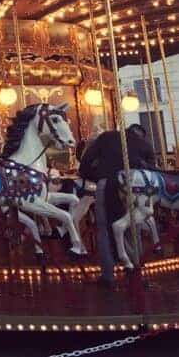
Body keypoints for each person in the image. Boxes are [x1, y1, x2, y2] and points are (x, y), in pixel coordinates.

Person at [79, 123, 156, 287]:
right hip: (135, 185)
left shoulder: (106, 137)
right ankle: (135, 270)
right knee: (133, 227)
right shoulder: (143, 143)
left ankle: (108, 275)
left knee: (104, 228)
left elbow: (85, 163)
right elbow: (152, 168)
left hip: (107, 182)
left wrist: (98, 176)